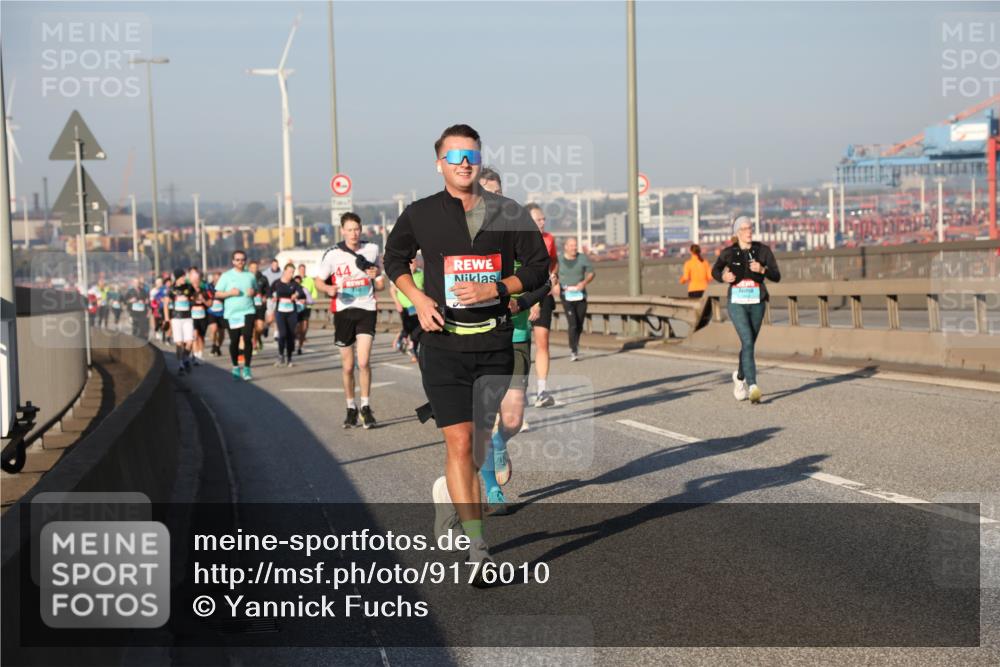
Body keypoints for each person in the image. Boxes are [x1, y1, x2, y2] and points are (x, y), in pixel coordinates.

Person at [383, 124, 548, 578]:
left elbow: (538, 268)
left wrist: (496, 286)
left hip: (494, 344)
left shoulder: (507, 212)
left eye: (470, 155)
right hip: (443, 346)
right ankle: (478, 549)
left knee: (475, 450)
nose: (463, 163)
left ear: (479, 160)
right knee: (458, 442)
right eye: (454, 156)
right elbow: (393, 258)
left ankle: (452, 499)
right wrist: (417, 300)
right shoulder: (420, 214)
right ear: (440, 164)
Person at [315, 212, 385, 429]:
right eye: (350, 229)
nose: (354, 233)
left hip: (366, 308)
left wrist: (376, 277)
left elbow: (381, 283)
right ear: (342, 231)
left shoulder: (371, 250)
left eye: (357, 229)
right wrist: (328, 288)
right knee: (348, 367)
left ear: (361, 230)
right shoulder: (333, 254)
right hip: (343, 310)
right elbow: (318, 281)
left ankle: (365, 406)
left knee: (363, 362)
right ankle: (350, 407)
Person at [711, 216, 781, 404]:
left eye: (750, 228)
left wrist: (762, 270)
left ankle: (739, 377)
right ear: (737, 233)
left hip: (757, 302)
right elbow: (715, 271)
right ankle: (753, 386)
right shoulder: (729, 253)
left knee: (748, 345)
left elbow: (777, 275)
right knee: (748, 340)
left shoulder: (763, 251)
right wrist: (724, 277)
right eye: (744, 229)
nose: (748, 231)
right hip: (737, 303)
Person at [524, 203, 559, 407]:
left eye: (543, 219)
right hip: (522, 294)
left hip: (544, 293)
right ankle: (519, 390)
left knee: (542, 341)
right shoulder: (518, 239)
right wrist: (530, 301)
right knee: (521, 345)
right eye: (538, 219)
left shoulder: (549, 239)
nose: (542, 222)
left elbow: (554, 260)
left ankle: (542, 390)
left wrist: (554, 275)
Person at [215, 250, 258, 381]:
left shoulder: (250, 276)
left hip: (248, 311)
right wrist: (230, 293)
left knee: (247, 338)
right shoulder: (226, 276)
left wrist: (253, 292)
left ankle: (247, 368)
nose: (240, 262)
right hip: (232, 314)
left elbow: (255, 290)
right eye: (238, 260)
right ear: (233, 261)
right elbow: (217, 294)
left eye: (243, 259)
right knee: (234, 340)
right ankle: (235, 366)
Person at [557, 237, 595, 362]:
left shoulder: (582, 258)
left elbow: (591, 273)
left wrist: (584, 283)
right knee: (572, 323)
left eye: (575, 245)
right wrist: (556, 285)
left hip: (580, 294)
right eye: (571, 245)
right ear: (566, 247)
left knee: (579, 323)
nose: (574, 248)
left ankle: (576, 344)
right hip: (566, 294)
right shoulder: (559, 259)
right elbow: (552, 273)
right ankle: (573, 349)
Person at [272, 263, 308, 367]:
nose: (291, 274)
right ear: (284, 271)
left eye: (292, 272)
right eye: (289, 272)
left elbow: (302, 293)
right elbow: (269, 293)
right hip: (280, 312)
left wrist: (296, 294)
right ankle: (280, 355)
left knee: (291, 335)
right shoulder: (277, 283)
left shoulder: (294, 283)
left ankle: (289, 358)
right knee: (282, 334)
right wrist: (273, 297)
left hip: (292, 312)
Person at [166, 268, 197, 375]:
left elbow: (194, 298)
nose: (184, 278)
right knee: (179, 343)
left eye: (185, 276)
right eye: (182, 276)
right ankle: (181, 365)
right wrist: (167, 318)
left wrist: (192, 299)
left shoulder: (189, 287)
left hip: (187, 317)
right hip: (176, 318)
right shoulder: (172, 289)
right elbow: (166, 303)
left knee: (189, 342)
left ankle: (185, 358)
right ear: (177, 278)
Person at [248, 260, 271, 352]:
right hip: (249, 306)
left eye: (255, 267)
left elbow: (268, 291)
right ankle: (254, 344)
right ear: (249, 268)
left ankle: (258, 339)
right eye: (252, 268)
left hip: (260, 306)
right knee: (253, 327)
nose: (254, 269)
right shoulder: (245, 278)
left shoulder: (263, 278)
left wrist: (265, 296)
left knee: (260, 327)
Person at [188, 267, 209, 365]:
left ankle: (200, 354)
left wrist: (203, 300)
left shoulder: (204, 289)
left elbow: (210, 303)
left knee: (201, 336)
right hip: (193, 316)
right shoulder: (188, 290)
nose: (196, 282)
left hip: (203, 316)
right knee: (195, 335)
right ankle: (195, 355)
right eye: (194, 280)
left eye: (197, 280)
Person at [295, 264, 317, 355]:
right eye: (301, 269)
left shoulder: (309, 280)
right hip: (295, 309)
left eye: (303, 269)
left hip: (306, 307)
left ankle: (300, 345)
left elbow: (313, 294)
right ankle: (297, 337)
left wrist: (308, 301)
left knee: (304, 327)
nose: (302, 271)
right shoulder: (293, 281)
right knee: (297, 328)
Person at [205, 272, 225, 356]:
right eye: (216, 279)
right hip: (211, 312)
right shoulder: (208, 286)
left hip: (222, 312)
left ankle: (218, 346)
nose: (217, 280)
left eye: (219, 279)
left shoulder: (225, 287)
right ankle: (213, 345)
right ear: (213, 278)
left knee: (221, 333)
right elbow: (207, 296)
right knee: (213, 329)